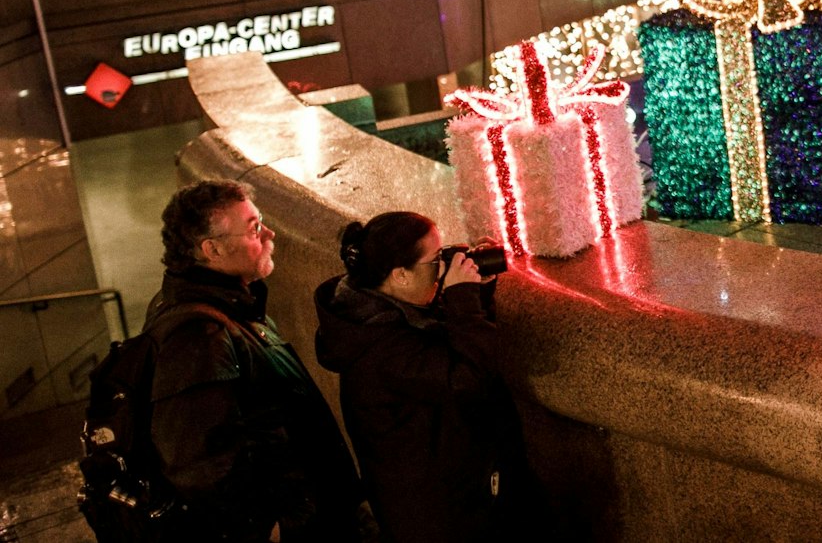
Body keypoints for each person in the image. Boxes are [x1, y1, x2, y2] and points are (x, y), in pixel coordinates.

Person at [146, 180, 364, 541]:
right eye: (254, 228)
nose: (269, 233)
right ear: (211, 249)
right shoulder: (198, 336)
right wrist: (269, 527)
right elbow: (196, 460)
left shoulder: (230, 305)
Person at [314, 213, 552, 543]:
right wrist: (463, 301)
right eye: (437, 259)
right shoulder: (381, 348)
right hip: (441, 518)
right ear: (399, 275)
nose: (445, 266)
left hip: (451, 500)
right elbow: (468, 378)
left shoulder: (381, 313)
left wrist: (477, 295)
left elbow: (443, 353)